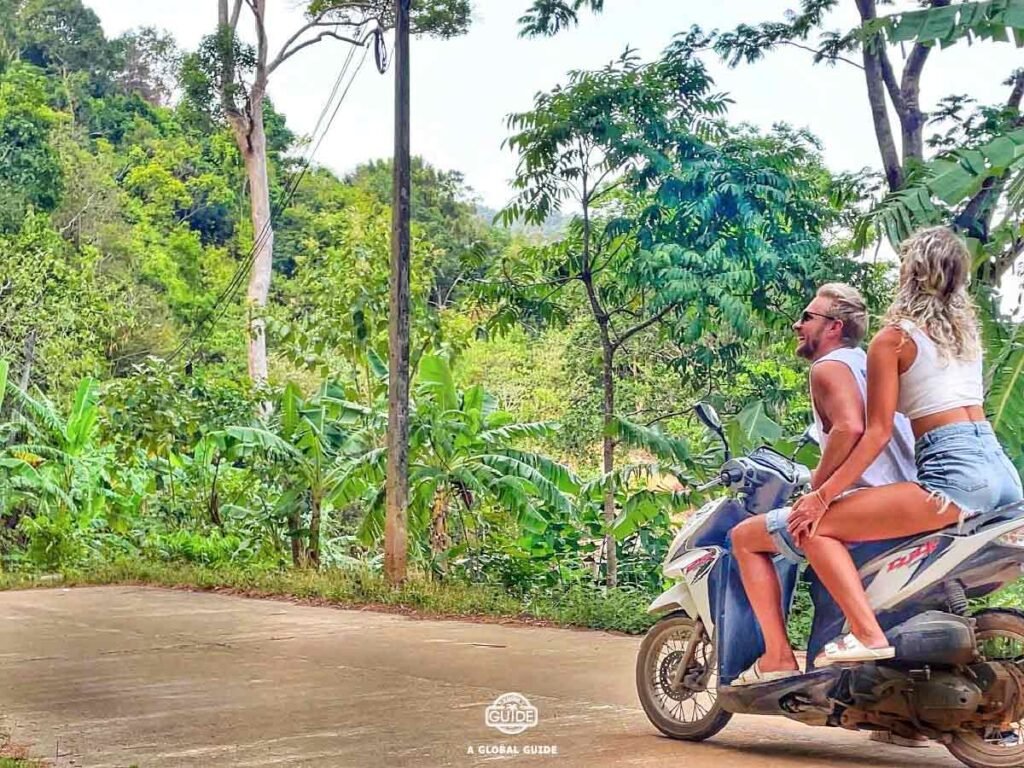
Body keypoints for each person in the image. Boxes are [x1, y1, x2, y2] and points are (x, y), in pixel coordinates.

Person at [752, 226, 1022, 682]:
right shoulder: (966, 339)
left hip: (952, 474)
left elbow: (874, 432)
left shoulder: (893, 339)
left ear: (910, 274)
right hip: (1001, 472)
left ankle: (867, 634)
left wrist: (821, 495)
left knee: (814, 527)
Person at [728, 282, 917, 686]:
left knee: (745, 537)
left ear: (833, 327)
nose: (798, 325)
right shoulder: (871, 364)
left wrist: (818, 487)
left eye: (807, 317)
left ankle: (778, 656)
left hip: (868, 500)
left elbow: (849, 426)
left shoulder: (828, 368)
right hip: (905, 495)